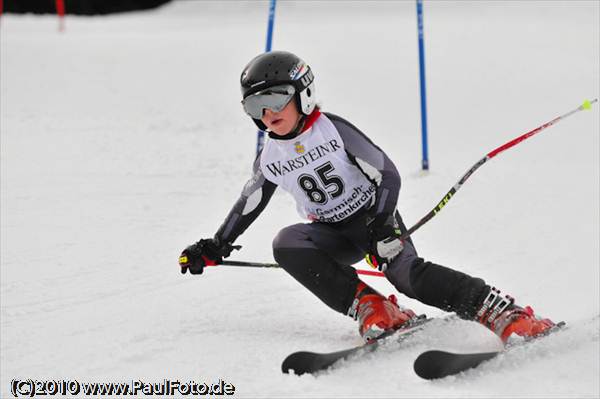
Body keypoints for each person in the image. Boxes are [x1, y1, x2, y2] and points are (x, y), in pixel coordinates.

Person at [178, 51, 557, 342]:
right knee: (286, 242)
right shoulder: (270, 158)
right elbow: (251, 201)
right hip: (331, 232)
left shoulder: (332, 131)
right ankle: (373, 308)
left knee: (408, 277)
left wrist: (381, 225)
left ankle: (504, 313)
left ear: (303, 94)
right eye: (254, 106)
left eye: (275, 100)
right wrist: (215, 244)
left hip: (375, 220)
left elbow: (386, 173)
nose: (267, 114)